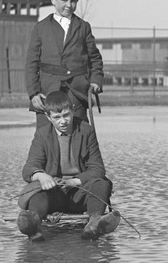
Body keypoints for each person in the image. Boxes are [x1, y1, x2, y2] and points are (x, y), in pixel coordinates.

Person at [16, 91, 120, 242]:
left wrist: (73, 181)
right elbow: (29, 167)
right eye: (57, 118)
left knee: (102, 183)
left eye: (66, 115)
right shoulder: (42, 134)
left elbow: (97, 169)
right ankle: (33, 223)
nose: (63, 121)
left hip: (80, 192)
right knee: (37, 190)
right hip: (53, 194)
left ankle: (94, 223)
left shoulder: (86, 131)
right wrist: (42, 176)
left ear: (73, 110)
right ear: (48, 117)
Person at [25, 0, 104, 129]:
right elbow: (31, 64)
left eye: (73, 1)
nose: (69, 5)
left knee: (80, 135)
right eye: (64, 0)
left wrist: (96, 80)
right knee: (45, 137)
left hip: (77, 93)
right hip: (47, 93)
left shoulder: (83, 27)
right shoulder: (41, 28)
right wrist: (34, 94)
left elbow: (95, 59)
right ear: (53, 0)